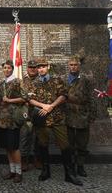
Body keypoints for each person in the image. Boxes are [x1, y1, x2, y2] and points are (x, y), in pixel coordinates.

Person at [28, 57, 82, 186]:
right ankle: (46, 171)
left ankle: (69, 174)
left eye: (43, 66)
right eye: (38, 67)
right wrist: (43, 106)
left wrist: (51, 106)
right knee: (43, 144)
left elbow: (63, 95)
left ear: (48, 67)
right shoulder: (34, 83)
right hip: (42, 118)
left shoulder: (57, 80)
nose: (41, 69)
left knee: (65, 145)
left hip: (57, 117)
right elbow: (29, 99)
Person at [64, 56, 96, 177]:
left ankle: (80, 166)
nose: (73, 67)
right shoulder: (64, 79)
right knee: (69, 144)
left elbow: (91, 98)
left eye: (75, 65)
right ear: (68, 66)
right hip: (68, 115)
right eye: (71, 65)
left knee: (82, 144)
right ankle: (71, 166)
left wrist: (92, 115)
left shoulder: (86, 80)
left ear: (79, 66)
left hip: (82, 115)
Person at [0, 60, 27, 183]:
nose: (6, 70)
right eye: (4, 68)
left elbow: (25, 97)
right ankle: (12, 170)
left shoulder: (18, 81)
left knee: (14, 147)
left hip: (13, 119)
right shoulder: (1, 84)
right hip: (3, 120)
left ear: (12, 69)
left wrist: (10, 101)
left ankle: (19, 172)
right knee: (7, 147)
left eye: (9, 68)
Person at [21, 59, 41, 171]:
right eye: (30, 67)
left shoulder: (41, 80)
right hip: (25, 113)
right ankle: (24, 161)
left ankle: (37, 160)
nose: (32, 69)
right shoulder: (22, 81)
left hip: (38, 113)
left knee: (38, 139)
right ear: (27, 68)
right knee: (25, 138)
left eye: (35, 67)